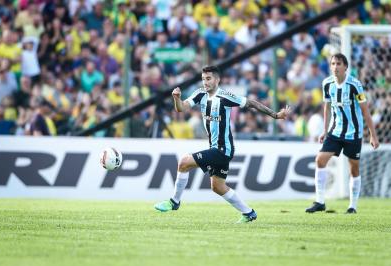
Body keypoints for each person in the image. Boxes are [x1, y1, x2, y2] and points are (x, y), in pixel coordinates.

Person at [154, 66, 291, 223]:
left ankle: (174, 202)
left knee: (184, 162)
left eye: (209, 78)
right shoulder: (200, 94)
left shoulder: (225, 97)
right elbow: (181, 108)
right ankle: (249, 213)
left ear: (217, 80)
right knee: (217, 186)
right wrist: (176, 98)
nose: (205, 82)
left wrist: (275, 115)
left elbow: (251, 103)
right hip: (216, 148)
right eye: (203, 79)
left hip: (222, 149)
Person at [305, 53, 379, 214]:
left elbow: (365, 111)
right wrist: (324, 131)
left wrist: (373, 135)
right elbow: (326, 107)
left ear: (345, 67)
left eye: (339, 64)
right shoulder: (327, 84)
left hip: (353, 133)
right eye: (333, 64)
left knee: (354, 169)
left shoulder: (355, 85)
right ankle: (320, 201)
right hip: (335, 131)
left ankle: (352, 206)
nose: (335, 67)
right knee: (320, 160)